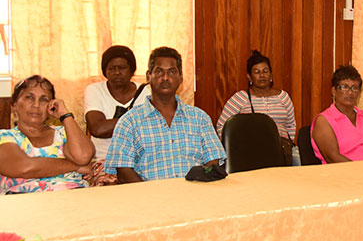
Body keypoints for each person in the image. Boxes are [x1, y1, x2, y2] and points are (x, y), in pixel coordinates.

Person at [105, 47, 226, 183]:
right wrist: (151, 196)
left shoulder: (200, 118)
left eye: (172, 72)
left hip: (195, 196)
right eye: (159, 71)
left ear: (181, 78)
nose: (165, 78)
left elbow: (213, 160)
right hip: (150, 199)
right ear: (148, 76)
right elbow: (123, 171)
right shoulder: (129, 122)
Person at [0, 76, 94, 194]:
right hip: (25, 206)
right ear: (14, 104)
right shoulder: (4, 136)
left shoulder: (63, 133)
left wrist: (65, 115)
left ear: (51, 106)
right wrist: (76, 167)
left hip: (73, 200)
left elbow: (84, 156)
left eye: (44, 99)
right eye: (29, 97)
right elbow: (24, 167)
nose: (36, 105)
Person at [84, 45, 150, 183]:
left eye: (122, 68)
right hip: (105, 160)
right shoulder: (94, 90)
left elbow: (152, 128)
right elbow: (98, 129)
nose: (117, 73)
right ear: (105, 71)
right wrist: (138, 121)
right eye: (112, 69)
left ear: (132, 70)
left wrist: (113, 124)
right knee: (110, 188)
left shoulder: (147, 92)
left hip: (141, 160)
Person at [216, 50, 296, 163]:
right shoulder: (240, 98)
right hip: (248, 153)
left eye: (265, 71)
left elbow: (291, 125)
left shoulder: (283, 97)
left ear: (271, 74)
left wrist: (286, 144)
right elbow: (222, 127)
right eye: (257, 72)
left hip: (281, 153)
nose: (262, 75)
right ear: (249, 77)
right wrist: (235, 148)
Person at [311, 65, 363, 163]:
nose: (350, 92)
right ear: (334, 91)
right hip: (345, 174)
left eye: (355, 88)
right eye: (344, 87)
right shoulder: (324, 121)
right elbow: (333, 158)